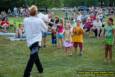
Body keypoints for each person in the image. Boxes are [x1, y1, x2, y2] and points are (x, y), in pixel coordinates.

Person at [23, 5, 48, 77]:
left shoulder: (25, 20)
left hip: (30, 42)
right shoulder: (39, 20)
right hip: (36, 41)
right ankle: (26, 74)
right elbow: (45, 29)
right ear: (36, 12)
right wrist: (42, 21)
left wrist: (38, 19)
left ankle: (40, 69)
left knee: (34, 56)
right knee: (33, 57)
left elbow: (29, 19)